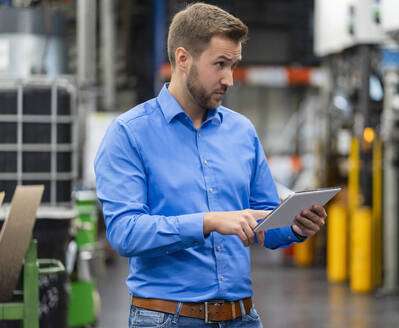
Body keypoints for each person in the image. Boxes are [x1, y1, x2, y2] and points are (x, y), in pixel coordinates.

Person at [94, 3, 326, 327]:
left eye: (233, 65)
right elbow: (124, 233)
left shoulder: (242, 131)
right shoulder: (130, 134)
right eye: (219, 65)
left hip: (241, 317)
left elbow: (263, 221)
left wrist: (296, 225)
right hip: (166, 318)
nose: (229, 79)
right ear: (183, 58)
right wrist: (208, 222)